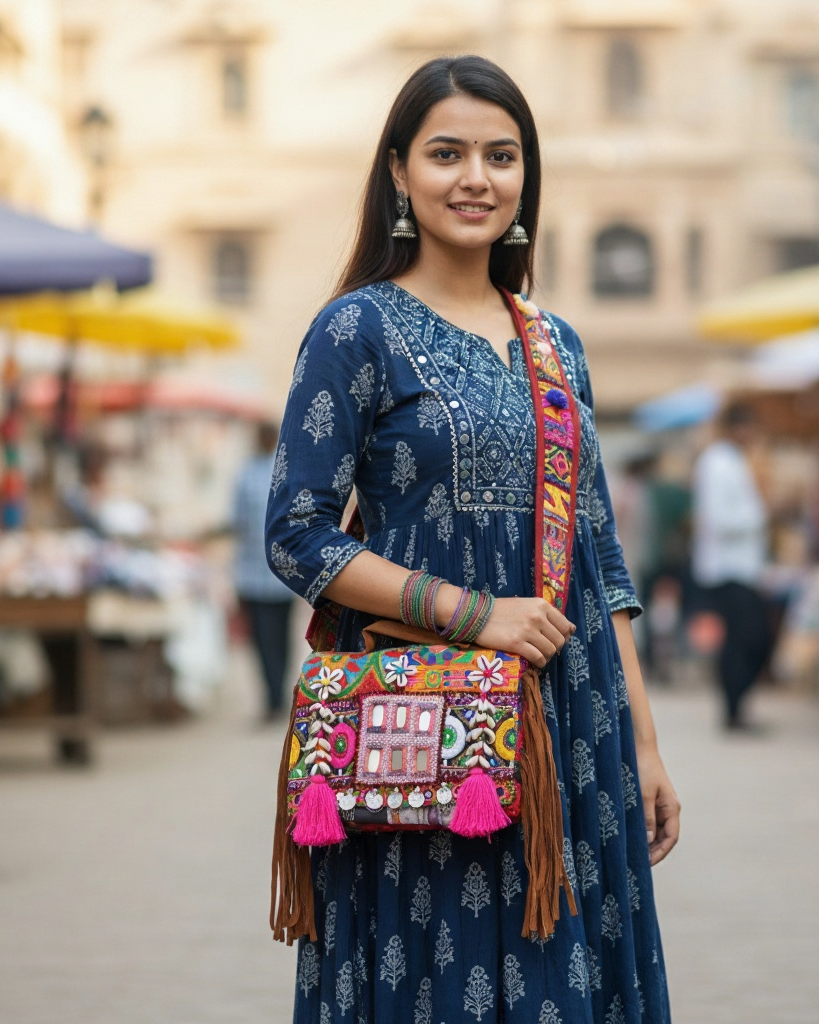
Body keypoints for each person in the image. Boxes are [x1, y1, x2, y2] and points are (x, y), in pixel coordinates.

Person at [266, 56, 678, 1023]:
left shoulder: (554, 342)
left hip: (576, 723)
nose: (476, 178)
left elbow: (601, 557)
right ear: (400, 171)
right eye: (447, 153)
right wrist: (471, 613)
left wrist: (646, 746)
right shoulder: (356, 328)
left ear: (526, 177)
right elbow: (295, 533)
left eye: (501, 155)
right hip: (433, 718)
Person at [692, 401, 770, 731]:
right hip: (727, 568)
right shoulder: (717, 463)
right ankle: (733, 710)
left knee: (751, 640)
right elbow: (718, 518)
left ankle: (737, 706)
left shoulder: (733, 461)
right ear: (737, 428)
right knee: (744, 641)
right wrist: (760, 516)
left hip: (742, 567)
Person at [233, 421, 296, 723]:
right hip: (275, 575)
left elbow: (237, 521)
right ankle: (274, 697)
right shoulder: (284, 472)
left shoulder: (250, 473)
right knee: (271, 640)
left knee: (270, 640)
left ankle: (275, 697)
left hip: (267, 576)